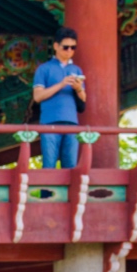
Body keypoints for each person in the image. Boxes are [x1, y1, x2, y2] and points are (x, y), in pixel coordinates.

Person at [32, 27, 86, 171]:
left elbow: (83, 100)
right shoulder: (44, 69)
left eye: (73, 47)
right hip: (49, 123)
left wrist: (78, 88)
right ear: (56, 46)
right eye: (65, 47)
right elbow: (37, 96)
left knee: (70, 168)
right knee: (49, 166)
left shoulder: (77, 70)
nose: (69, 51)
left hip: (72, 123)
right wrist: (61, 84)